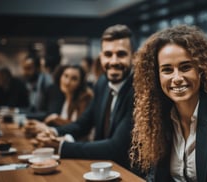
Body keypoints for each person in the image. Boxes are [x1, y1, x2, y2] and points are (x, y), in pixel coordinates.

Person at [130, 24, 207, 181]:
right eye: (167, 70)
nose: (177, 78)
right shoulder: (158, 116)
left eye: (185, 67)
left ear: (201, 69)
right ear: (157, 76)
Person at [24, 24, 135, 169]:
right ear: (101, 57)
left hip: (126, 172)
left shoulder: (139, 91)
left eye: (121, 54)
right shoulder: (102, 83)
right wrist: (51, 132)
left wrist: (62, 146)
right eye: (108, 54)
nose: (113, 61)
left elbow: (116, 147)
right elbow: (83, 124)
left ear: (134, 56)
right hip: (99, 167)